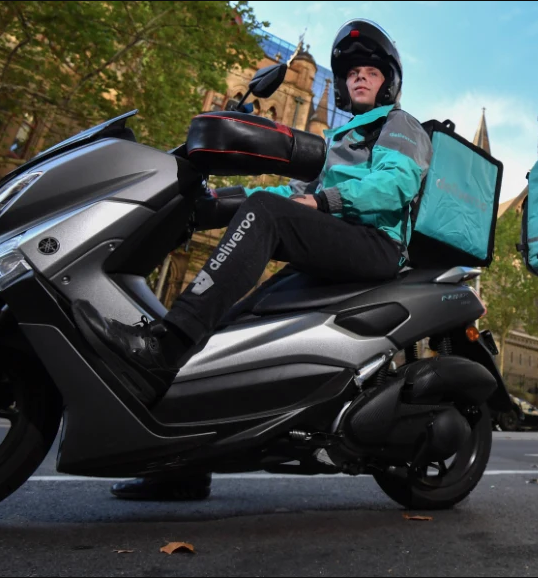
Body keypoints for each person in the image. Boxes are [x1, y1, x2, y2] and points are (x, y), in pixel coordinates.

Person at [79, 19, 433, 501]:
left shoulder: (399, 125)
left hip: (377, 244)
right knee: (232, 326)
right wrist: (212, 204)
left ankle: (164, 347)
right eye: (351, 72)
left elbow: (395, 184)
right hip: (334, 243)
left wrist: (325, 202)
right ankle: (182, 464)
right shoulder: (337, 138)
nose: (359, 77)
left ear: (388, 80)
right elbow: (290, 194)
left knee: (267, 215)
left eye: (370, 70)